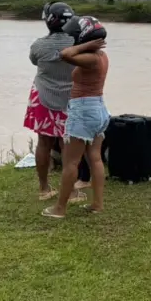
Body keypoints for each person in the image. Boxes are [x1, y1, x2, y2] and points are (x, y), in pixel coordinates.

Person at [43, 16, 110, 219]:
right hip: (98, 108)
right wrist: (89, 46)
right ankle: (97, 204)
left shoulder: (90, 57)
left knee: (71, 162)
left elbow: (64, 54)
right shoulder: (101, 55)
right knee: (95, 158)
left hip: (83, 110)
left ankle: (59, 209)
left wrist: (85, 45)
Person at [25, 1, 79, 202]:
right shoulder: (78, 44)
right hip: (71, 99)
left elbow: (33, 61)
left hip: (43, 97)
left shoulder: (38, 45)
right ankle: (72, 191)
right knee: (68, 145)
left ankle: (44, 188)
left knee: (43, 142)